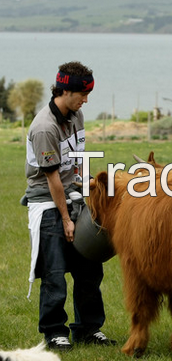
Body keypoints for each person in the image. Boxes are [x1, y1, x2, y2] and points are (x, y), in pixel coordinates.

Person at [22, 61, 115, 351]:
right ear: (65, 90)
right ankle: (54, 331)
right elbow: (52, 180)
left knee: (90, 267)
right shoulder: (43, 128)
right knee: (55, 271)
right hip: (48, 203)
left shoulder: (77, 116)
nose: (86, 99)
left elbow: (74, 165)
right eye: (82, 94)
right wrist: (66, 219)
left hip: (72, 196)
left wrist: (90, 184)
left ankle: (88, 329)